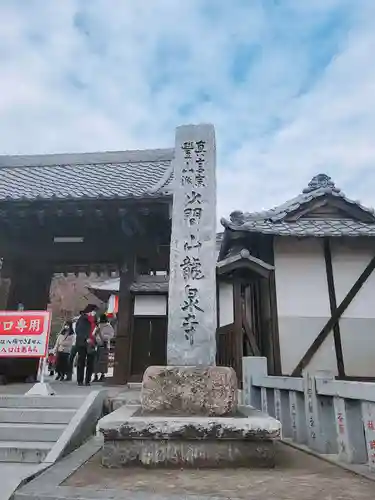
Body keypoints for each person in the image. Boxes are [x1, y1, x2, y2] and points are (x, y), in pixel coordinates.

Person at [74, 305, 98, 386]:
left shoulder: (94, 320)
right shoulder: (82, 319)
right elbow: (78, 330)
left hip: (92, 343)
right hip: (82, 343)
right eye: (94, 311)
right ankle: (80, 380)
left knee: (90, 362)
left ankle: (88, 380)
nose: (94, 313)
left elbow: (96, 330)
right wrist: (86, 338)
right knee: (81, 361)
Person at [93, 314, 115, 382]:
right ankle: (95, 375)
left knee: (103, 361)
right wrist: (95, 333)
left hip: (104, 345)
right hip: (97, 345)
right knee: (95, 361)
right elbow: (93, 334)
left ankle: (102, 375)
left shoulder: (108, 326)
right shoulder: (98, 326)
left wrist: (101, 334)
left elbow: (110, 336)